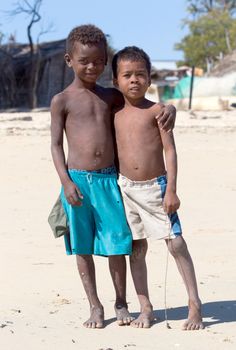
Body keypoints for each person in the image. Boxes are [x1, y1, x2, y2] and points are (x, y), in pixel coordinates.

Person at [50, 24, 176, 329]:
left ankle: (121, 302)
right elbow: (55, 145)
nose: (91, 67)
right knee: (82, 246)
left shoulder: (111, 96)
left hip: (109, 181)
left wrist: (170, 106)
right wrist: (66, 182)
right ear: (69, 61)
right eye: (84, 61)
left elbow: (143, 104)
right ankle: (95, 306)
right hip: (77, 182)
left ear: (105, 62)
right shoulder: (61, 101)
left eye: (97, 61)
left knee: (117, 244)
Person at [112, 46, 204, 330]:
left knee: (175, 243)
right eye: (127, 75)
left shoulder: (159, 111)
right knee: (136, 249)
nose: (134, 80)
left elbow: (170, 152)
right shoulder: (113, 113)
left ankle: (194, 303)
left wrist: (172, 189)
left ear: (150, 79)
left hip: (156, 187)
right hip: (125, 188)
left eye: (141, 74)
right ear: (116, 81)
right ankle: (145, 307)